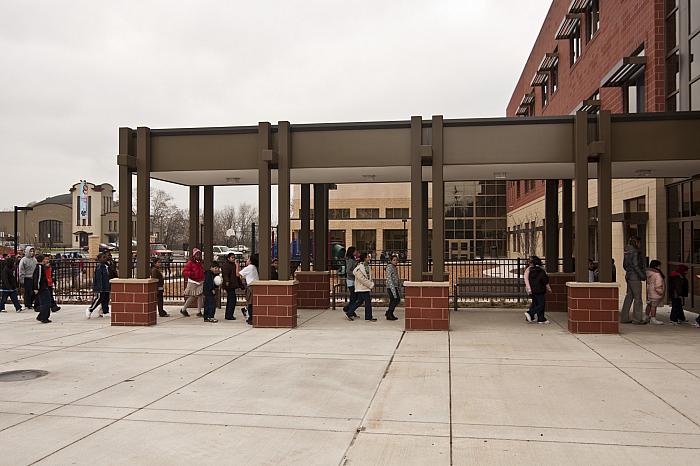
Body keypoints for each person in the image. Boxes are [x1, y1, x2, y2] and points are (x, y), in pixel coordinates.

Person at [620, 236, 646, 324]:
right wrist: (642, 275)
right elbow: (636, 265)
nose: (640, 244)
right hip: (635, 277)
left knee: (629, 297)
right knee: (638, 298)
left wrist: (629, 271)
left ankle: (624, 317)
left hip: (628, 276)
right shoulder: (635, 252)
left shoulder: (626, 251)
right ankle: (637, 319)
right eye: (639, 242)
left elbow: (624, 265)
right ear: (637, 242)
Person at [344, 252, 376, 322]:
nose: (369, 258)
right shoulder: (359, 268)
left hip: (365, 287)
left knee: (359, 301)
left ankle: (349, 312)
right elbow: (362, 279)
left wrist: (370, 283)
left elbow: (369, 277)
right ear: (364, 258)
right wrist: (370, 284)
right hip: (362, 288)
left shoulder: (367, 266)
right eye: (368, 257)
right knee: (367, 302)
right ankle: (368, 317)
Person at [523, 256, 550, 324]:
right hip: (540, 290)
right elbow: (545, 280)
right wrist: (548, 287)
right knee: (541, 304)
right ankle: (530, 313)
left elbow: (526, 281)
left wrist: (529, 289)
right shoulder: (541, 270)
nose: (529, 263)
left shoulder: (528, 270)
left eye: (530, 261)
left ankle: (539, 318)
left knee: (535, 304)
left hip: (532, 291)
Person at [181, 248, 205, 317]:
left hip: (200, 281)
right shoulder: (190, 263)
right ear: (194, 255)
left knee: (200, 296)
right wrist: (192, 274)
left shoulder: (200, 262)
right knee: (192, 296)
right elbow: (184, 271)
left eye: (199, 254)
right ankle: (183, 309)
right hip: (193, 282)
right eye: (197, 254)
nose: (198, 256)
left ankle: (199, 312)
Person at [86, 253, 110, 318]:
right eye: (103, 257)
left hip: (106, 286)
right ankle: (90, 309)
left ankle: (105, 312)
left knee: (106, 299)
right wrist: (99, 287)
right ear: (99, 259)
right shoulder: (99, 267)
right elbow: (98, 278)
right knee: (99, 299)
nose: (105, 258)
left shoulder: (107, 266)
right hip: (101, 287)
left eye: (105, 257)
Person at [238, 254, 259, 325]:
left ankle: (251, 318)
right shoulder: (255, 267)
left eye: (248, 259)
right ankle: (250, 315)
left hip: (250, 287)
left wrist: (237, 265)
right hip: (255, 286)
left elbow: (238, 274)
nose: (247, 260)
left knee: (250, 303)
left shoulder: (249, 267)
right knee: (252, 303)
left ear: (250, 261)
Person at [32, 254, 52, 323]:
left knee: (46, 302)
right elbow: (38, 278)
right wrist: (36, 288)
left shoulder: (40, 267)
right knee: (46, 303)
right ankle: (43, 317)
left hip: (43, 287)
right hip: (42, 288)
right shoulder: (39, 267)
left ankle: (43, 316)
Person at [645, 260, 665, 325]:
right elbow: (658, 284)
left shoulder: (648, 272)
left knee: (649, 304)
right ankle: (653, 318)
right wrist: (661, 292)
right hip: (655, 292)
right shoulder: (657, 274)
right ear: (657, 266)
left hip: (649, 290)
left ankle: (646, 316)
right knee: (654, 305)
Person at [222, 252, 240, 320]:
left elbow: (236, 275)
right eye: (232, 257)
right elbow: (225, 274)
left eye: (234, 257)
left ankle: (229, 314)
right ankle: (229, 315)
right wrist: (227, 281)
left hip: (232, 284)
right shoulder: (226, 265)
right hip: (229, 285)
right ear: (228, 258)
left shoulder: (233, 265)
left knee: (232, 300)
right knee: (231, 300)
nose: (233, 259)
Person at [19, 246, 37, 311]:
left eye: (33, 251)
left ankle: (30, 303)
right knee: (27, 292)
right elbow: (21, 270)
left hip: (33, 278)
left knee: (33, 292)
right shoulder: (24, 260)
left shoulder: (34, 259)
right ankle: (27, 304)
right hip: (27, 278)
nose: (32, 253)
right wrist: (21, 280)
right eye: (30, 251)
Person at [342, 246, 359, 317]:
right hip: (350, 280)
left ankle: (350, 309)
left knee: (354, 297)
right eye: (355, 251)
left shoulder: (352, 259)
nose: (356, 252)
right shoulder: (350, 260)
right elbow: (348, 271)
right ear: (352, 252)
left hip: (353, 280)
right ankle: (349, 309)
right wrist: (355, 274)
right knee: (354, 297)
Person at [384, 254, 400, 321]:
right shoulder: (389, 267)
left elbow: (396, 277)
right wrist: (393, 289)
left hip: (395, 286)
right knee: (396, 299)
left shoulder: (395, 267)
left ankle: (389, 313)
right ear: (390, 261)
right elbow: (389, 278)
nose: (395, 261)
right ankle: (389, 313)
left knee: (393, 300)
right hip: (391, 287)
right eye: (394, 260)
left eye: (396, 260)